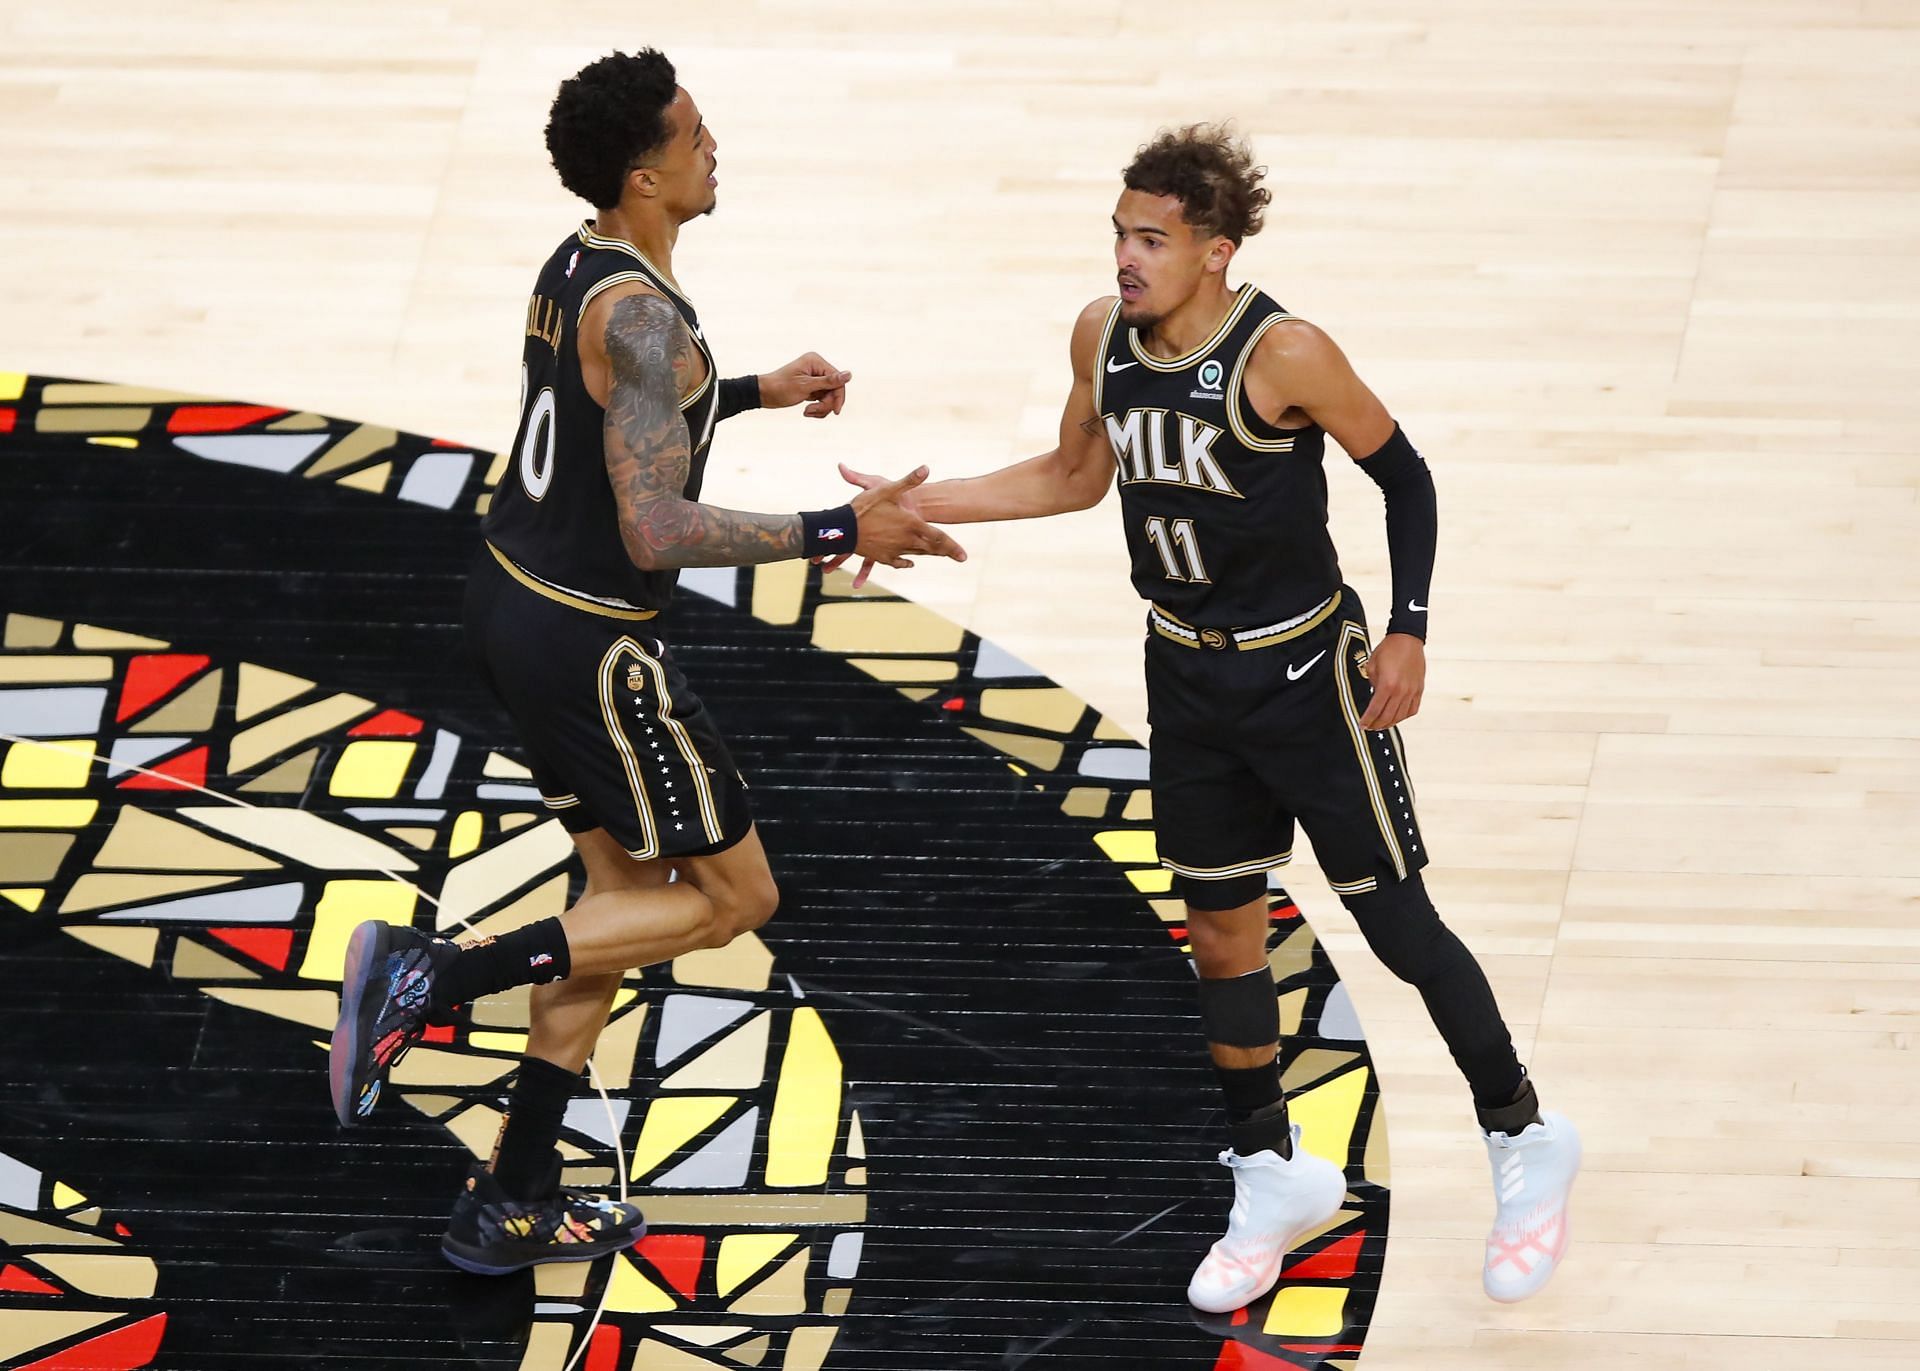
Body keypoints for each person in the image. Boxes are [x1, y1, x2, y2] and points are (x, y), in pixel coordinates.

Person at [836, 125, 1578, 1309]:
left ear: (1216, 252)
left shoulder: (1285, 352)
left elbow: (1408, 477)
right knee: (1223, 935)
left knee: (1395, 924)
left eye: (1151, 240)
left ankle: (1525, 1134)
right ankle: (1274, 1170)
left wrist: (1411, 626)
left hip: (1307, 677)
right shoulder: (1100, 335)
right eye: (1120, 234)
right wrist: (913, 506)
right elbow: (1075, 477)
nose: (1126, 259)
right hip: (1184, 674)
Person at [327, 48, 963, 1275]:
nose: (711, 146)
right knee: (736, 901)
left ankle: (510, 1198)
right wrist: (842, 529)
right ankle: (433, 976)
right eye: (693, 134)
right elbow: (657, 526)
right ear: (645, 173)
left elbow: (619, 411)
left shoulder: (580, 270)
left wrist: (759, 390)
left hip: (511, 601)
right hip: (589, 642)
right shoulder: (649, 316)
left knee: (615, 913)